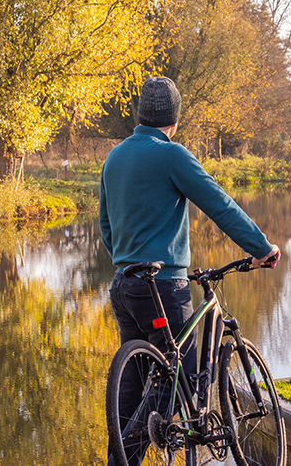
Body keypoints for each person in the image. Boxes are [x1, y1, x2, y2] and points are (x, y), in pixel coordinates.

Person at [99, 76, 280, 466]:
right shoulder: (172, 155)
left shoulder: (114, 157)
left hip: (125, 285)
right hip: (164, 287)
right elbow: (220, 205)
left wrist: (126, 258)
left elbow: (106, 227)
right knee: (182, 379)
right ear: (174, 121)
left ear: (141, 116)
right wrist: (262, 248)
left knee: (129, 392)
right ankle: (178, 437)